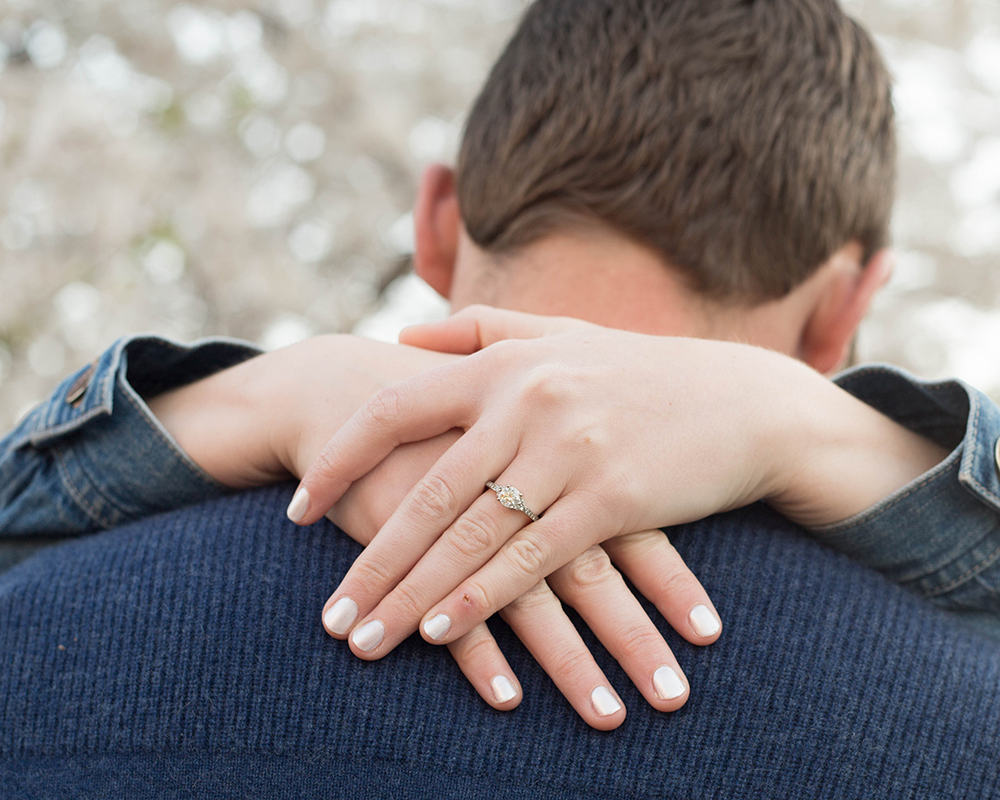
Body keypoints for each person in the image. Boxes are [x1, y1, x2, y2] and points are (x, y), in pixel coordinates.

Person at [1, 0, 999, 794]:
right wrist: (835, 432)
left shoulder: (35, 629)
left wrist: (213, 407)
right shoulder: (966, 718)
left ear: (434, 218)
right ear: (846, 309)